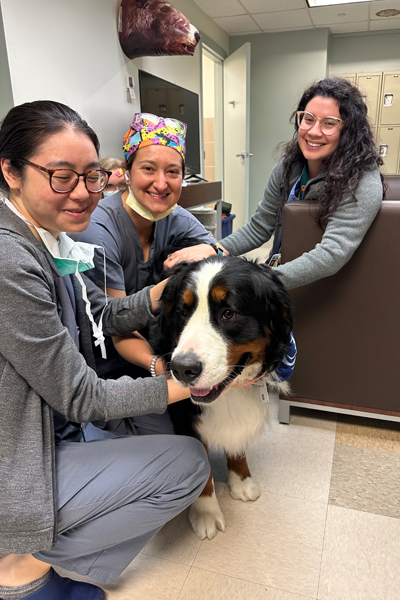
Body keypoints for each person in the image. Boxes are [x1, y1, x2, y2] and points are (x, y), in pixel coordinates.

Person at [0, 100, 210, 600]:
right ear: (9, 170)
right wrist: (196, 381)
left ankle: (56, 562)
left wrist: (169, 287)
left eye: (93, 177)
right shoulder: (12, 260)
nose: (82, 193)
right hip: (19, 454)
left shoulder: (48, 238)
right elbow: (85, 398)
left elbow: (105, 315)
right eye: (61, 176)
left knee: (139, 446)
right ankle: (17, 564)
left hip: (57, 428)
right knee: (186, 465)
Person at [73, 112, 220, 433]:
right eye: (148, 169)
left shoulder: (176, 218)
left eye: (173, 172)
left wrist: (213, 250)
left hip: (159, 349)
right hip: (105, 367)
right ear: (125, 172)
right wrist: (158, 365)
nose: (161, 183)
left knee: (187, 437)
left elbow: (223, 264)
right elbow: (112, 321)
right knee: (173, 455)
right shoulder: (98, 230)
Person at [164, 77, 384, 289]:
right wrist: (214, 249)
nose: (314, 131)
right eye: (308, 119)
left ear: (348, 131)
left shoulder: (361, 178)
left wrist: (261, 281)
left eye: (329, 124)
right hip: (279, 273)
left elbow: (331, 254)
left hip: (326, 289)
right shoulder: (289, 166)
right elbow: (260, 227)